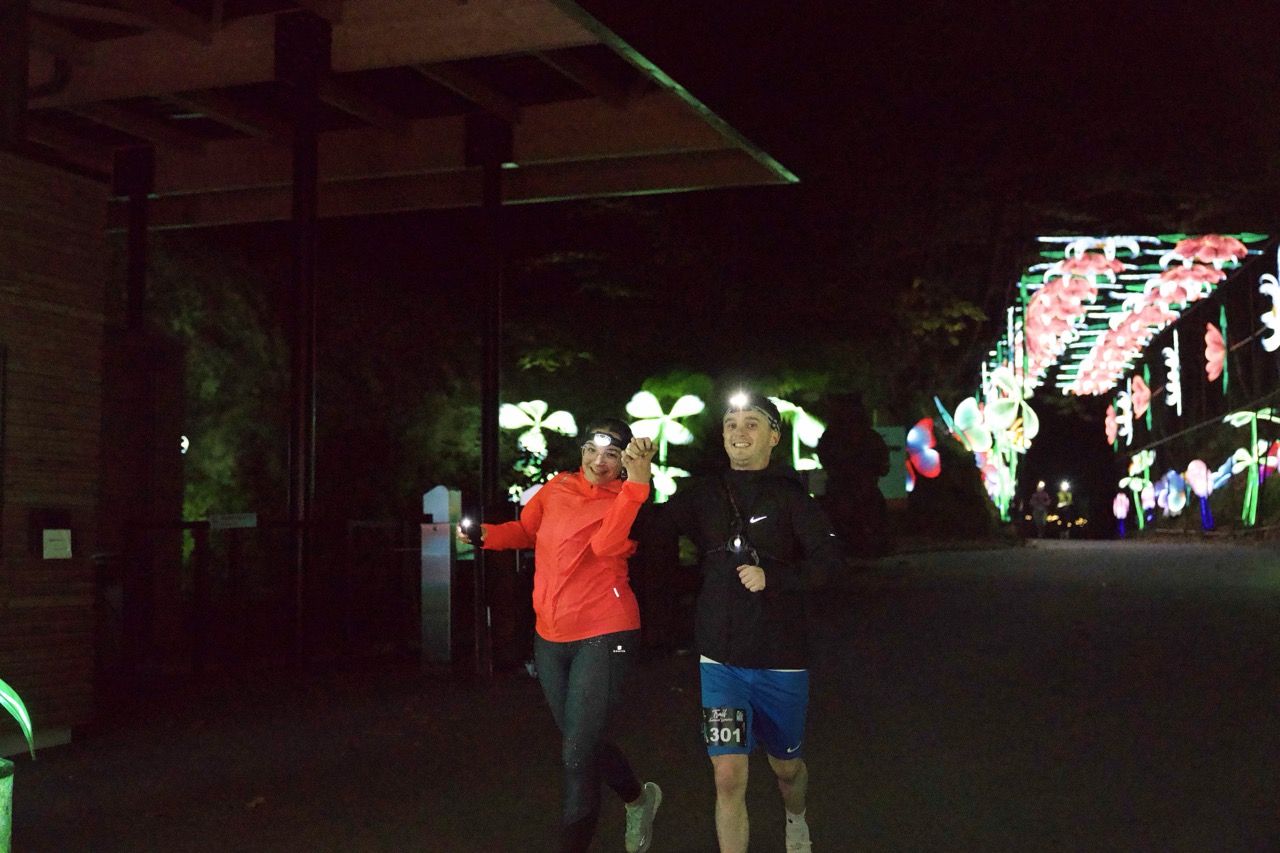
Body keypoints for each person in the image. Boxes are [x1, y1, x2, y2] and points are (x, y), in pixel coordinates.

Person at [646, 392, 843, 853]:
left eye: (752, 423)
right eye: (731, 423)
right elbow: (651, 530)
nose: (739, 432)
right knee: (728, 774)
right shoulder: (703, 493)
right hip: (721, 661)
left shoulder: (792, 496)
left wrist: (773, 577)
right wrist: (637, 480)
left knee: (786, 770)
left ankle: (796, 817)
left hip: (781, 660)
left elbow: (831, 562)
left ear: (773, 436)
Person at [458, 418, 663, 853]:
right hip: (550, 635)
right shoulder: (558, 487)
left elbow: (606, 546)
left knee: (576, 753)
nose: (599, 462)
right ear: (581, 451)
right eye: (592, 450)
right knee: (581, 739)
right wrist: (485, 535)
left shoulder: (632, 498)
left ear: (625, 462)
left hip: (606, 630)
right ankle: (638, 799)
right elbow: (527, 531)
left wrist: (636, 486)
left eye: (612, 455)